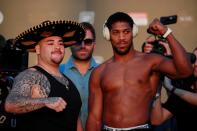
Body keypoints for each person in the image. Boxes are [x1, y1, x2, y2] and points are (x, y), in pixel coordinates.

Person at [86, 12, 193, 131]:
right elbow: (94, 118)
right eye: (116, 32)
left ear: (133, 32)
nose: (121, 38)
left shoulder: (150, 61)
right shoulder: (99, 72)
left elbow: (186, 71)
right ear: (108, 35)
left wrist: (166, 32)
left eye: (126, 32)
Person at [4, 20, 86, 131]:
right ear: (38, 49)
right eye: (50, 43)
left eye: (60, 43)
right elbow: (10, 104)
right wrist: (46, 101)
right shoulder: (30, 75)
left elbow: (75, 118)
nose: (57, 47)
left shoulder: (67, 79)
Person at [59, 22, 98, 129]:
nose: (83, 46)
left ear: (94, 44)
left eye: (88, 41)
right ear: (70, 43)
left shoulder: (103, 72)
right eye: (78, 41)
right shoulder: (57, 72)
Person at [151, 47, 197, 131]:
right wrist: (157, 87)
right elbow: (157, 120)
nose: (196, 64)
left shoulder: (178, 91)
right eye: (194, 59)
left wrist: (171, 88)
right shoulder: (182, 90)